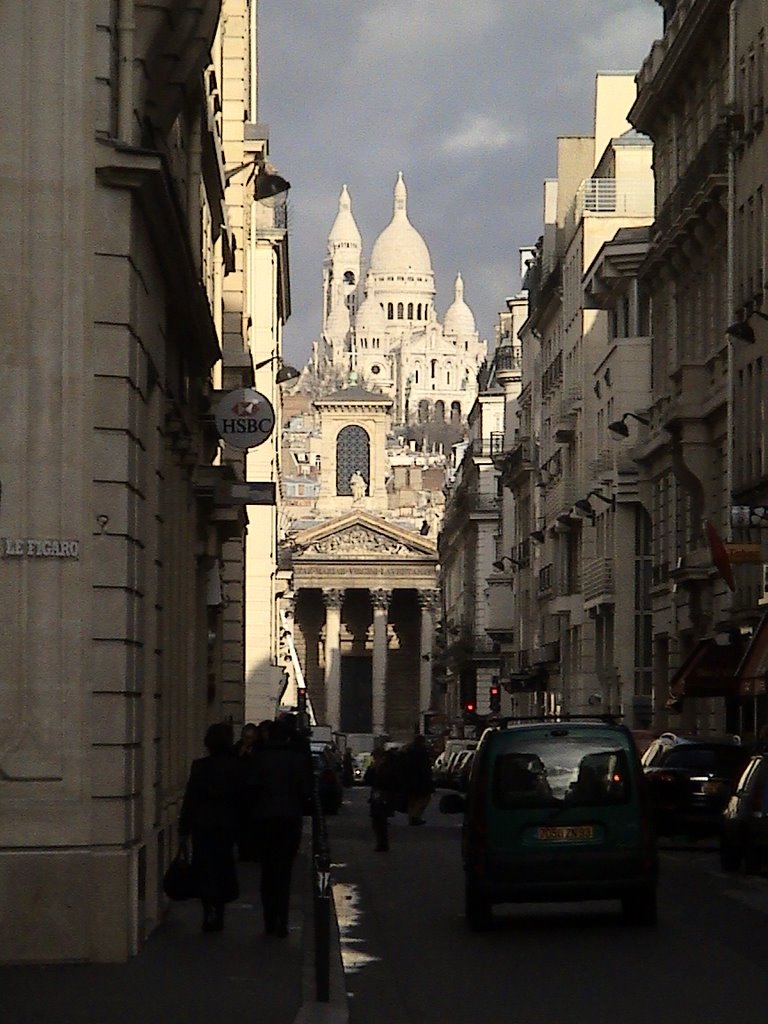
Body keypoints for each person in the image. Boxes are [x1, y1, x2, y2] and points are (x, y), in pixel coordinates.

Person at [248, 717, 314, 937]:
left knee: (268, 871)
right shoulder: (296, 758)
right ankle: (282, 922)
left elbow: (251, 787)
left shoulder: (260, 758)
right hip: (289, 818)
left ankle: (269, 921)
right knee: (285, 871)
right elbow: (306, 791)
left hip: (264, 818)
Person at [178, 722, 241, 933]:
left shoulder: (199, 766)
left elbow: (191, 799)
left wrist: (183, 829)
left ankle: (208, 911)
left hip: (202, 824)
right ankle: (219, 911)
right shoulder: (235, 766)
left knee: (204, 868)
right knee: (222, 866)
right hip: (226, 825)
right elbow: (241, 799)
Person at [364, 747, 395, 851]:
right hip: (377, 796)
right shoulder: (376, 767)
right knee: (376, 821)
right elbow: (367, 780)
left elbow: (388, 781)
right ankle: (381, 842)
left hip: (384, 796)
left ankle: (383, 843)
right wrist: (371, 769)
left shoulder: (387, 767)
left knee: (380, 821)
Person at [400, 733, 434, 825]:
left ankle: (411, 817)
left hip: (408, 779)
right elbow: (425, 766)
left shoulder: (408, 750)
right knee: (424, 798)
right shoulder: (421, 751)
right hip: (420, 779)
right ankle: (415, 816)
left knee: (412, 799)